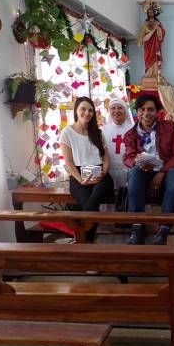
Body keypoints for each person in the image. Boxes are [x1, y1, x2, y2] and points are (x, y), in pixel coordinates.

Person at [123, 94, 174, 245]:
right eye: (142, 109)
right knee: (134, 173)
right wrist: (137, 162)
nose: (146, 113)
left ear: (157, 112)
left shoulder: (170, 127)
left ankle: (163, 230)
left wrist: (162, 173)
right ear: (137, 112)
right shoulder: (130, 134)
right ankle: (137, 228)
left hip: (167, 169)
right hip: (144, 171)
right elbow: (128, 157)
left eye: (150, 109)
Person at [59, 97, 114, 242]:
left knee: (93, 201)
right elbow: (69, 162)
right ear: (76, 111)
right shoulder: (67, 132)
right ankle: (87, 239)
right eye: (83, 109)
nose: (87, 112)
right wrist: (80, 180)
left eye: (90, 110)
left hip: (100, 174)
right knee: (90, 204)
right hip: (78, 174)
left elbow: (106, 158)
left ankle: (82, 239)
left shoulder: (98, 132)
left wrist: (103, 173)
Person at [101, 98, 134, 190]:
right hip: (109, 171)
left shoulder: (134, 129)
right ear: (109, 111)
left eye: (120, 108)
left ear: (125, 110)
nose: (116, 111)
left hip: (129, 171)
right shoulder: (102, 130)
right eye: (113, 108)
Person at [137, 0, 165, 78]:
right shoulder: (146, 23)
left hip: (156, 45)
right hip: (148, 45)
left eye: (152, 12)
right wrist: (152, 31)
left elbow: (162, 34)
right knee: (148, 59)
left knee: (156, 59)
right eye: (149, 12)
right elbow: (143, 35)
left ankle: (157, 75)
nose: (150, 13)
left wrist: (158, 29)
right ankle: (149, 75)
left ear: (154, 13)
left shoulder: (157, 23)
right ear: (147, 13)